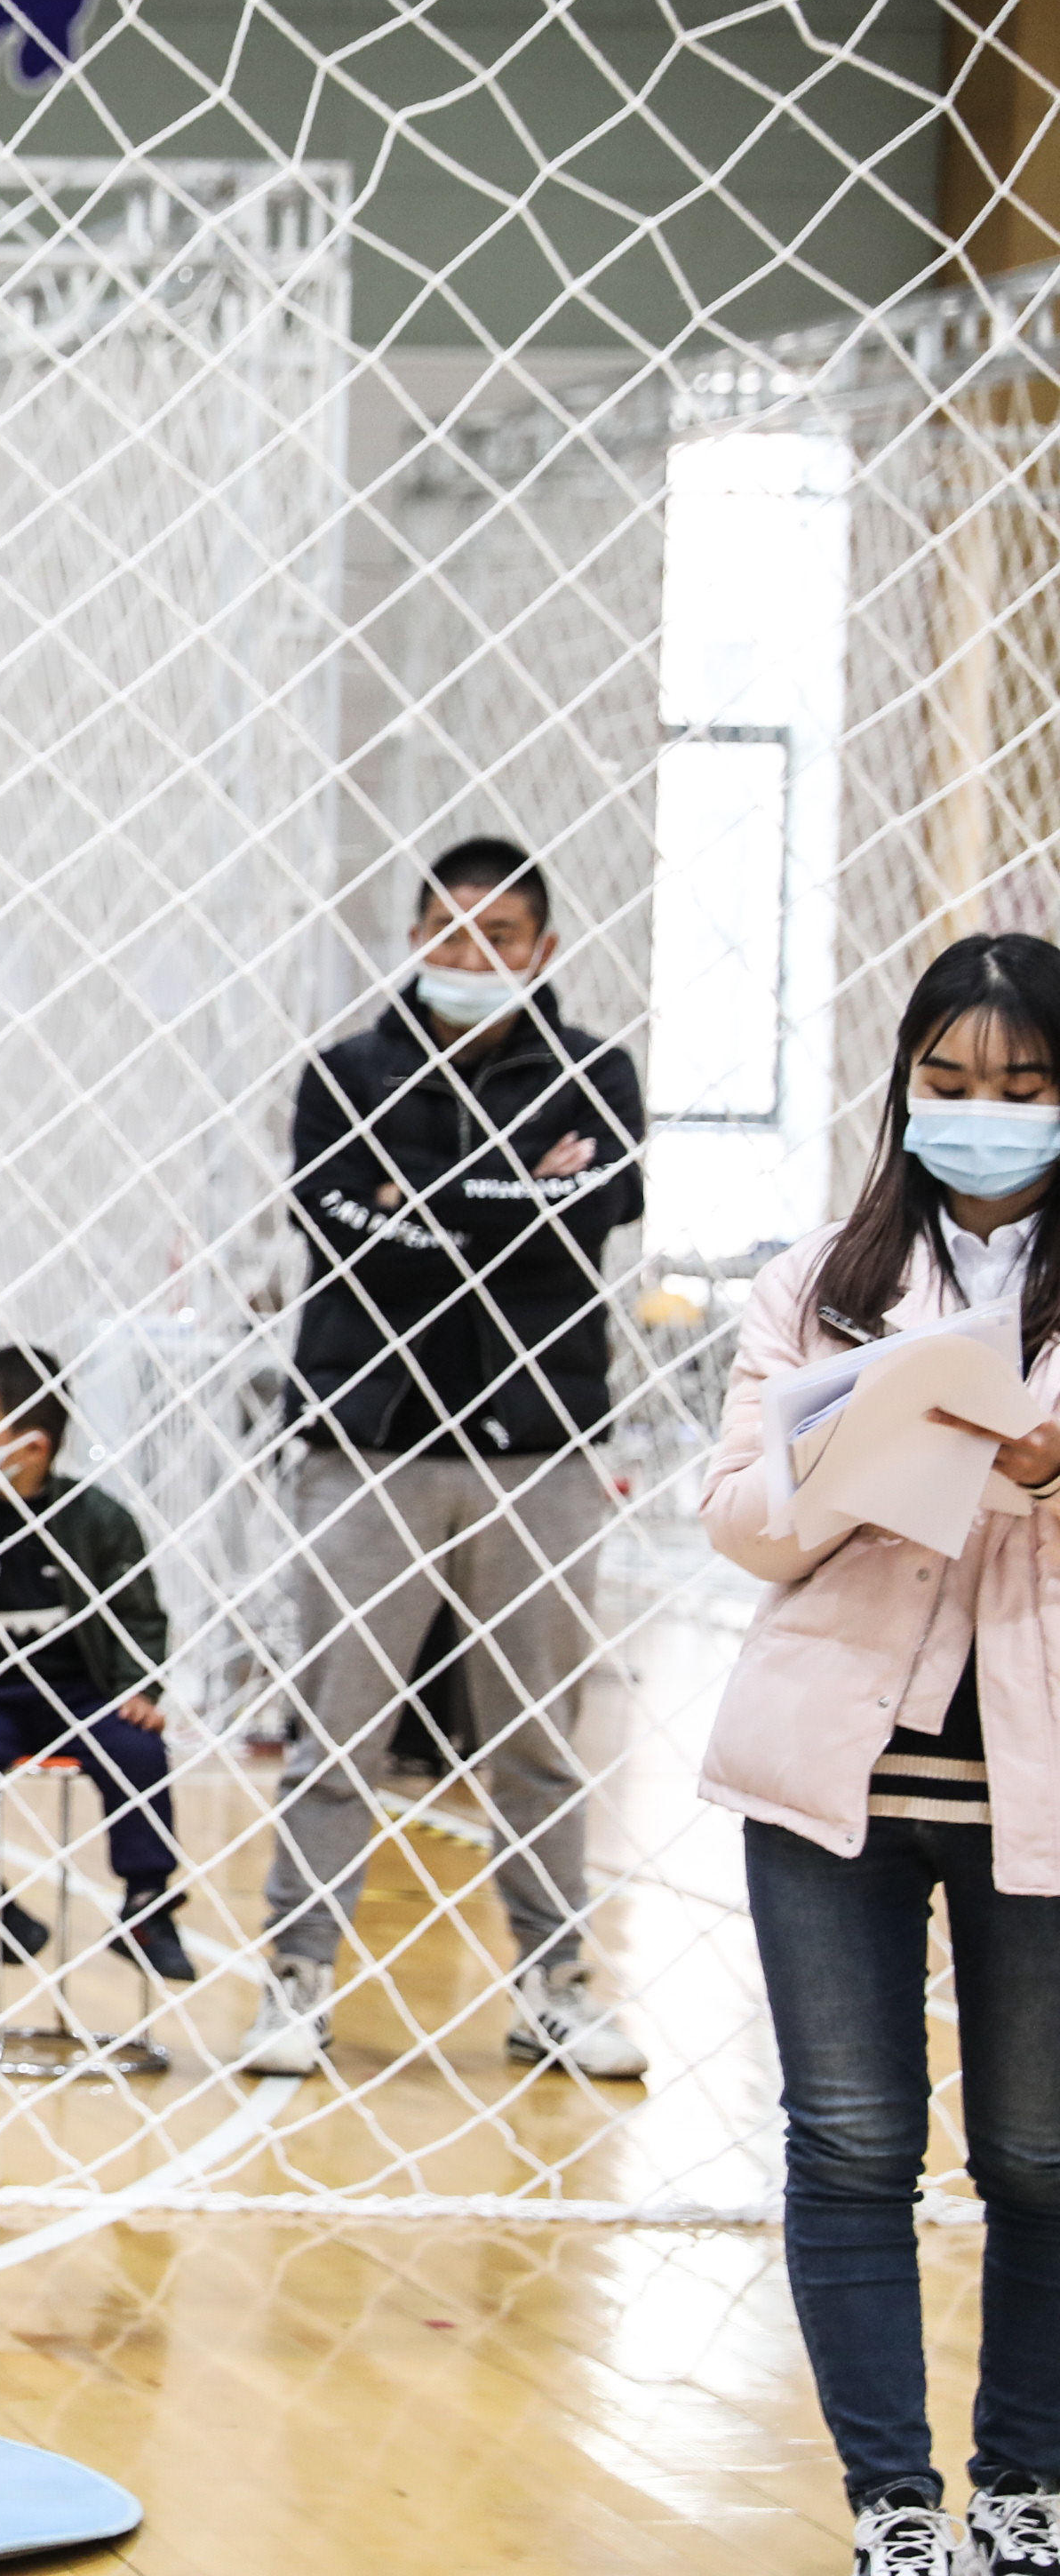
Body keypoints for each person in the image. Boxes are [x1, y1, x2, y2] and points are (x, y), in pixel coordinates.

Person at [697, 933, 1060, 2576]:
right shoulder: (811, 1279)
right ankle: (893, 2509)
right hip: (830, 1774)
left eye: (1023, 1087)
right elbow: (735, 1523)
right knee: (847, 2143)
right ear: (901, 1087)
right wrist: (853, 1454)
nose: (982, 1115)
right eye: (949, 1084)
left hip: (1037, 1784)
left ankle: (1022, 2493)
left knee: (1039, 2152)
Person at [243, 836, 650, 2079]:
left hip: (539, 1454)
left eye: (499, 938)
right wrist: (512, 1192)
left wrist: (426, 1197)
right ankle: (297, 1980)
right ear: (414, 938)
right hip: (369, 1448)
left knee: (532, 1736)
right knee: (339, 1730)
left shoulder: (596, 1073)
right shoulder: (342, 1075)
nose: (470, 958)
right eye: (447, 933)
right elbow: (360, 1232)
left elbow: (586, 1213)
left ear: (544, 950)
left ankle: (555, 1982)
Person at [0, 1342, 191, 1980]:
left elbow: (141, 1615)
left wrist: (142, 1686)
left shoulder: (102, 1521)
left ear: (32, 1448)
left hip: (80, 1693)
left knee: (138, 1748)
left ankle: (147, 1906)